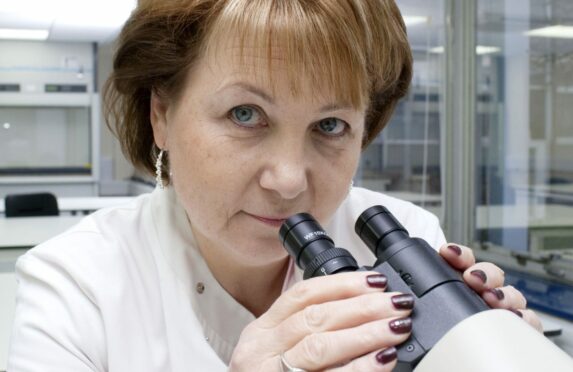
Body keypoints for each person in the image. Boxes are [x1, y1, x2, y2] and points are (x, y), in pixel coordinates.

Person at [8, 0, 541, 371]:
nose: (288, 181)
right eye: (246, 113)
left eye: (330, 126)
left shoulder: (412, 236)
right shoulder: (76, 287)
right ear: (161, 114)